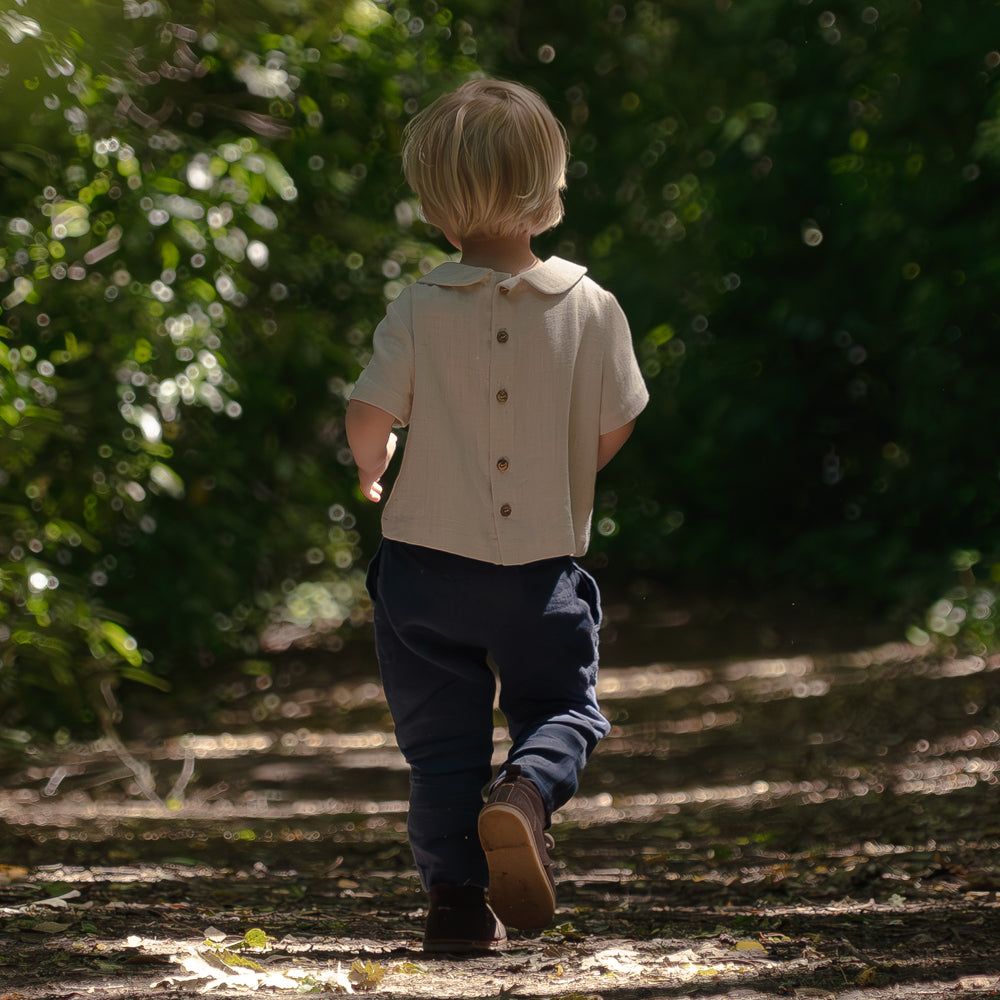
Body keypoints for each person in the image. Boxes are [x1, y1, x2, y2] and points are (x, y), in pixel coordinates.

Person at [345, 78, 648, 953]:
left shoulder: (417, 307)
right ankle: (525, 792)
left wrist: (377, 466)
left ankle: (454, 907)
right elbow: (619, 417)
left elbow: (371, 414)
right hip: (538, 570)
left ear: (438, 206)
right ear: (550, 192)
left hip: (424, 570)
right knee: (562, 708)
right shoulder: (593, 308)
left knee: (440, 749)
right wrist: (567, 472)